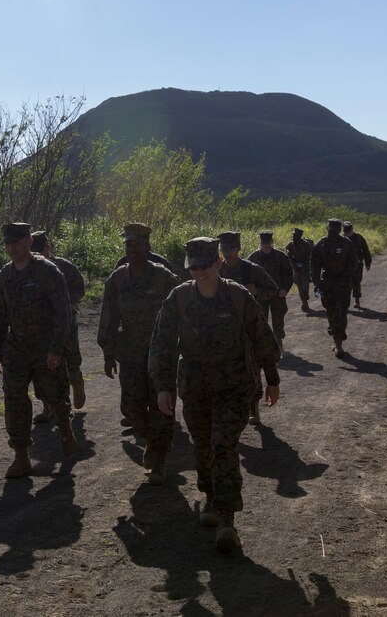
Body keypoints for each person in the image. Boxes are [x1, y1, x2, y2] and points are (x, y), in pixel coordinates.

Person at [149, 237, 281, 553]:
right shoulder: (179, 299)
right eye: (192, 267)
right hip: (194, 388)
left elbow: (262, 338)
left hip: (234, 386)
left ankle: (227, 519)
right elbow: (162, 344)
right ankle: (209, 496)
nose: (198, 272)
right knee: (203, 445)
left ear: (218, 263)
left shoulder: (238, 297)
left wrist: (272, 380)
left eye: (204, 266)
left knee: (223, 444)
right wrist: (163, 387)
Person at [0, 222, 76, 479]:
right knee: (14, 400)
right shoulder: (4, 277)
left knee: (54, 396)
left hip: (46, 348)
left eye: (16, 242)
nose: (11, 247)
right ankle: (21, 456)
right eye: (7, 243)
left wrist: (56, 349)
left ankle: (64, 427)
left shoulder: (47, 272)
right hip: (16, 350)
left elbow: (64, 313)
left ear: (28, 241)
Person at [98, 223, 181, 485]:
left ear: (148, 247)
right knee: (131, 409)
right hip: (131, 355)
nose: (131, 249)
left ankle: (158, 460)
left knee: (161, 409)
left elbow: (182, 313)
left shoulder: (163, 277)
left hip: (161, 354)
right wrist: (108, 354)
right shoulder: (118, 279)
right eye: (127, 245)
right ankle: (151, 442)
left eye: (136, 244)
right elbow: (108, 318)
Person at [217, 231, 280, 426]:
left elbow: (273, 290)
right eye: (225, 248)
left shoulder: (252, 270)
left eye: (232, 248)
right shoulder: (217, 270)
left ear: (239, 248)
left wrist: (257, 291)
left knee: (253, 368)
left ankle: (254, 409)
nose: (228, 252)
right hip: (224, 329)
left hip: (250, 328)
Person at [29, 231, 87, 425]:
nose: (36, 254)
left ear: (48, 248)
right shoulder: (29, 268)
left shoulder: (63, 266)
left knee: (71, 360)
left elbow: (79, 287)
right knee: (44, 369)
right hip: (42, 328)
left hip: (66, 323)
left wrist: (66, 304)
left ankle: (77, 383)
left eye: (39, 250)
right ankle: (49, 409)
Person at [310, 218, 359, 358]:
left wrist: (346, 276)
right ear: (328, 229)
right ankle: (336, 339)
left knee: (342, 312)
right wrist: (317, 281)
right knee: (330, 312)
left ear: (339, 231)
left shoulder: (346, 243)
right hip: (327, 284)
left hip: (343, 284)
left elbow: (354, 261)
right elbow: (314, 263)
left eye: (335, 231)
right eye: (331, 231)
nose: (333, 234)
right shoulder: (321, 244)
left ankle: (339, 344)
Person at [247, 230, 293, 343]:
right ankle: (265, 346)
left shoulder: (281, 256)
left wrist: (285, 288)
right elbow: (246, 275)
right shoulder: (253, 258)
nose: (265, 245)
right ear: (260, 243)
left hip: (278, 294)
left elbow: (288, 274)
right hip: (260, 295)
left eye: (267, 243)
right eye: (263, 243)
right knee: (261, 322)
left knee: (278, 320)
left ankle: (278, 343)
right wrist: (251, 289)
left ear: (271, 242)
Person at [343, 222, 372, 308]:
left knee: (356, 282)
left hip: (357, 265)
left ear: (352, 230)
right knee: (345, 284)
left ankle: (357, 300)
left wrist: (368, 262)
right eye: (346, 233)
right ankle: (345, 303)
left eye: (349, 233)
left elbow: (366, 250)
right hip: (344, 265)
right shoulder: (341, 238)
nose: (347, 235)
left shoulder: (359, 238)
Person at [285, 228, 314, 311]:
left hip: (305, 269)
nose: (293, 237)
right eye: (293, 235)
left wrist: (306, 266)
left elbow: (310, 256)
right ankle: (304, 302)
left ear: (300, 236)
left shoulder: (306, 244)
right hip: (296, 269)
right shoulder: (290, 245)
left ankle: (305, 297)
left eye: (295, 235)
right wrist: (294, 265)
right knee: (299, 286)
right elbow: (288, 256)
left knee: (305, 286)